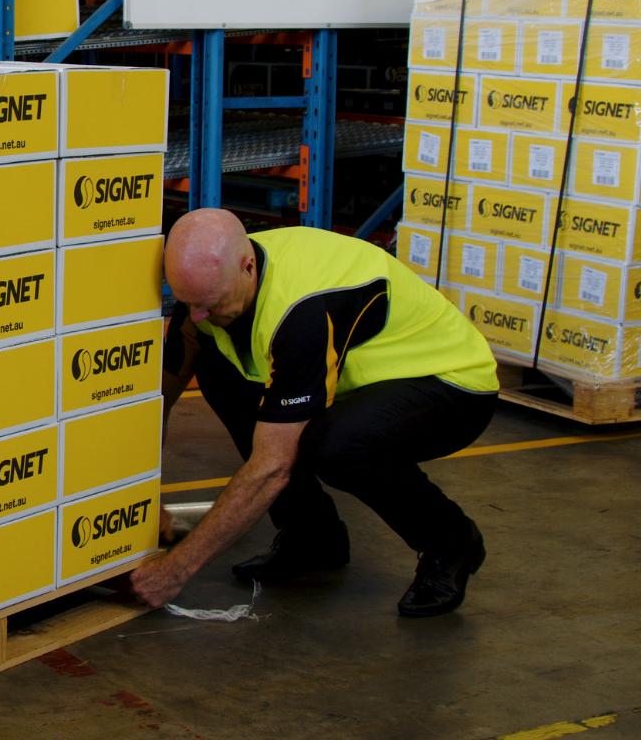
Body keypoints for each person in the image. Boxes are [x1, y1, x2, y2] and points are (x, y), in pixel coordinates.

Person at [129, 210, 499, 617]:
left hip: (451, 386)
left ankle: (452, 542)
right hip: (363, 384)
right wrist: (145, 496)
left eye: (209, 304)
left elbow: (273, 466)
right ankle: (312, 539)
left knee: (336, 445)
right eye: (187, 304)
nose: (197, 316)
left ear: (248, 266)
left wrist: (177, 568)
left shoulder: (300, 314)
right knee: (218, 369)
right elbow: (159, 399)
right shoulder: (206, 290)